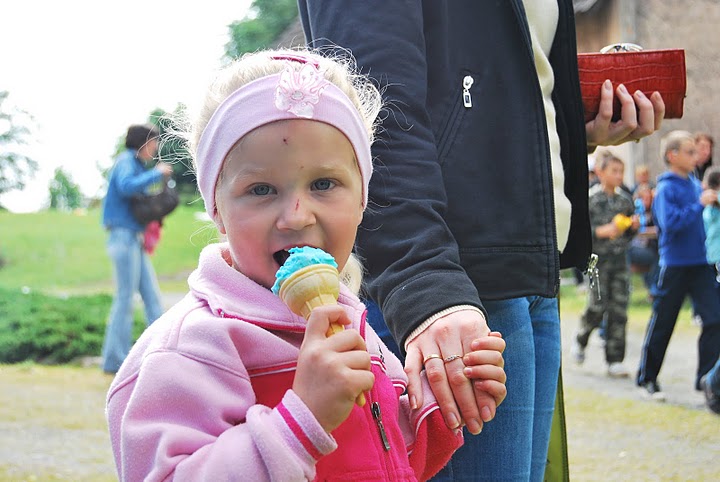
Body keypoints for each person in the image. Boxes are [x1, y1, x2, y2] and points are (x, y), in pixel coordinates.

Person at [299, 1, 665, 480]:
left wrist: (578, 131)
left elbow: (496, 90)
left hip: (529, 267)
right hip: (445, 284)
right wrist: (424, 286)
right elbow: (375, 107)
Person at [105, 49, 508, 481]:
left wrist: (444, 398)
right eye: (261, 189)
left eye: (323, 183)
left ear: (361, 201)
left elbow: (390, 456)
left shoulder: (351, 320)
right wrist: (300, 423)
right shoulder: (193, 349)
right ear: (217, 210)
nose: (296, 215)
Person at [636, 131, 720, 401]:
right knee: (664, 322)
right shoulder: (666, 189)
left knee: (714, 319)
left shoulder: (696, 185)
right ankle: (648, 377)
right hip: (675, 266)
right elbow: (670, 226)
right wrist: (698, 205)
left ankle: (706, 380)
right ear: (673, 156)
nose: (695, 156)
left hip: (701, 265)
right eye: (689, 151)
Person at [100, 124, 172, 374]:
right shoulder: (125, 161)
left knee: (152, 296)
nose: (156, 148)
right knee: (125, 298)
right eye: (154, 142)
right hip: (123, 237)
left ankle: (163, 353)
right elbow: (126, 186)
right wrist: (157, 174)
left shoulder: (136, 165)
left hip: (133, 238)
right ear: (143, 143)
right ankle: (114, 360)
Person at [571, 152, 638, 377]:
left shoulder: (625, 201)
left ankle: (615, 359)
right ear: (600, 172)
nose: (619, 176)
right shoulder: (590, 199)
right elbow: (578, 232)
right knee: (597, 306)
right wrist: (599, 232)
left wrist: (632, 228)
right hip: (596, 262)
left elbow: (628, 235)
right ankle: (581, 338)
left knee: (619, 309)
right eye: (614, 171)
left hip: (619, 261)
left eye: (621, 172)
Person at [627, 183, 659, 295]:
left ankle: (653, 289)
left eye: (649, 198)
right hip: (634, 248)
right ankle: (653, 290)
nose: (647, 201)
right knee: (656, 258)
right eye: (644, 198)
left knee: (656, 256)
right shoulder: (636, 211)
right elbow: (638, 231)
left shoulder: (654, 211)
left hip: (648, 247)